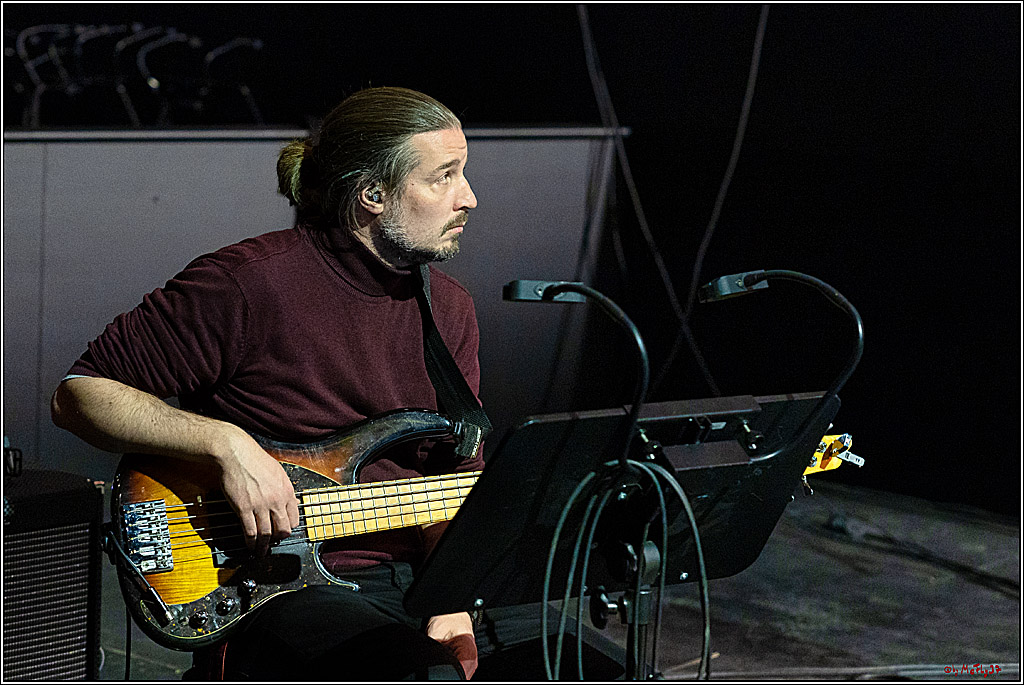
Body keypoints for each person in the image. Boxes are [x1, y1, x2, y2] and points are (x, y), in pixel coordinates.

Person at [51, 86, 485, 680]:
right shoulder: (248, 285)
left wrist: (452, 598)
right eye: (444, 176)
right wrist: (224, 444)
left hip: (418, 581)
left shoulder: (450, 310)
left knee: (576, 657)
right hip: (275, 583)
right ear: (372, 196)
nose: (469, 198)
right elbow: (79, 393)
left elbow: (452, 480)